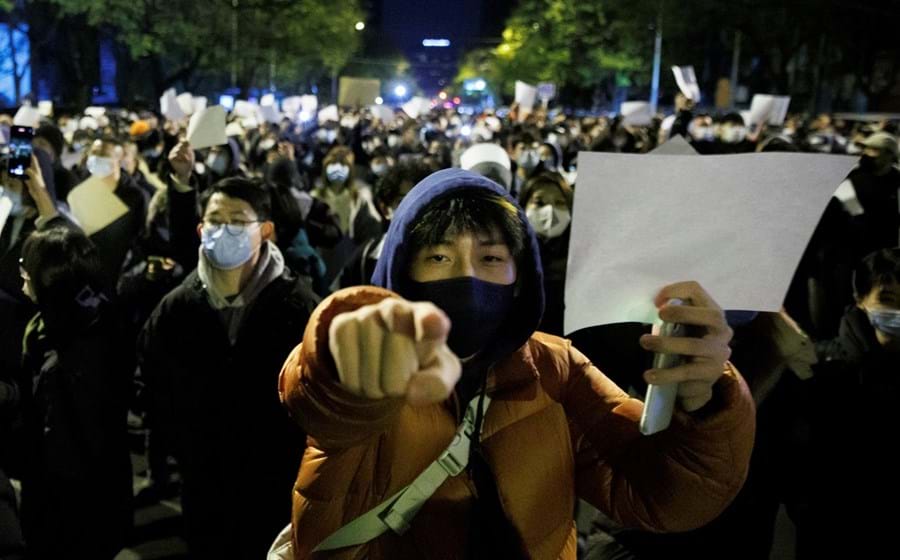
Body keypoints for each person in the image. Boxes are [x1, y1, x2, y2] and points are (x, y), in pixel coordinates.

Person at [278, 169, 755, 558]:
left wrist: (703, 402)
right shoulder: (375, 373)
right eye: (439, 256)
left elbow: (662, 496)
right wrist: (345, 355)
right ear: (402, 268)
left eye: (490, 258)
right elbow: (320, 396)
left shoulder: (555, 369)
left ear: (520, 276)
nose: (466, 276)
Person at [139, 177, 319, 559]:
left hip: (276, 481)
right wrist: (182, 446)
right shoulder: (176, 308)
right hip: (202, 480)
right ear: (201, 229)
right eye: (215, 220)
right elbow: (151, 384)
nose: (224, 230)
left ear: (265, 230)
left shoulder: (300, 308)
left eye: (237, 221)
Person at [18, 225, 133, 559]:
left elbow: (60, 439)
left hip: (72, 502)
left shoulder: (64, 348)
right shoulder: (93, 314)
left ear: (50, 277)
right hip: (100, 488)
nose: (21, 272)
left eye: (29, 265)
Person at [519, 171, 573, 336]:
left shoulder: (585, 258)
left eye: (560, 202)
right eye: (539, 202)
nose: (550, 210)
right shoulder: (511, 256)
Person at [844, 132, 900, 252]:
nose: (865, 153)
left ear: (889, 155)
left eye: (873, 149)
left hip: (886, 250)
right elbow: (847, 209)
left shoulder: (897, 180)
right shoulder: (852, 176)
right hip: (852, 246)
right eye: (865, 148)